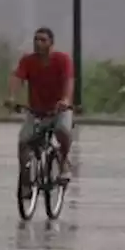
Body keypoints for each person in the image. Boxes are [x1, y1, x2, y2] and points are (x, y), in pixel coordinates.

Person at [7, 26, 74, 181]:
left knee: (63, 131)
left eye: (43, 40)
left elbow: (68, 81)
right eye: (36, 39)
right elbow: (18, 78)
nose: (38, 43)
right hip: (36, 111)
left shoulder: (62, 60)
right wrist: (11, 97)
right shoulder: (28, 61)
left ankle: (63, 160)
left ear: (51, 43)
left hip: (59, 110)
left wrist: (65, 100)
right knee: (23, 142)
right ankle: (25, 180)